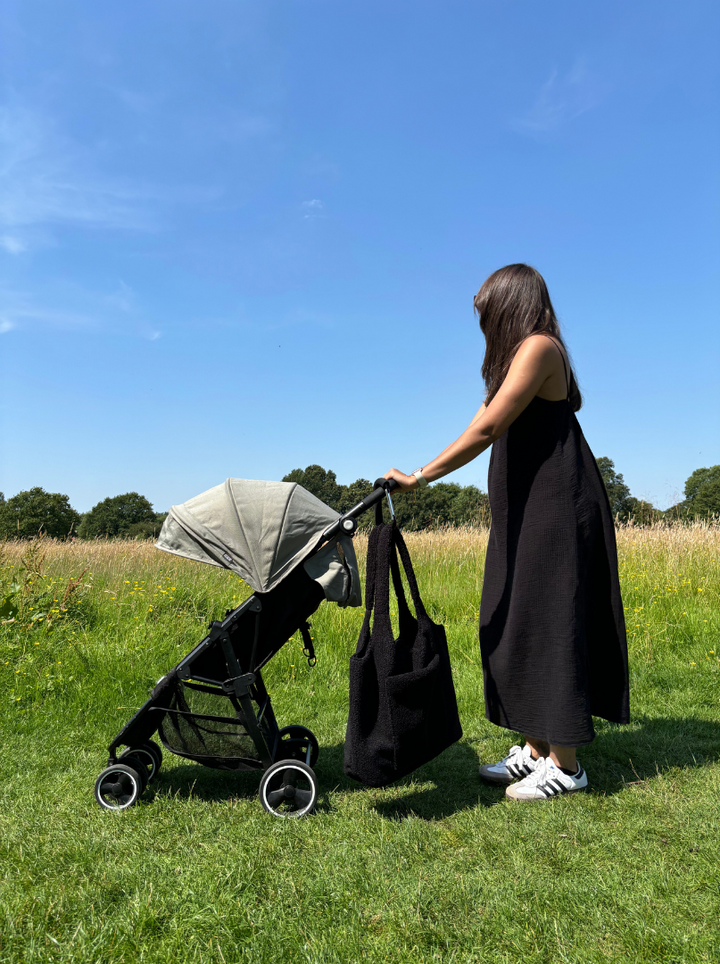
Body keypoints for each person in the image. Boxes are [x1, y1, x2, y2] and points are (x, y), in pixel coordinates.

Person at [384, 263, 630, 802]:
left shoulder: (541, 347)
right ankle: (535, 750)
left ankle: (567, 766)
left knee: (551, 618)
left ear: (509, 305)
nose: (482, 322)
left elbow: (488, 428)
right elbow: (483, 421)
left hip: (558, 508)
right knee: (513, 618)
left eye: (486, 311)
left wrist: (419, 477)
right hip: (524, 511)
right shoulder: (511, 364)